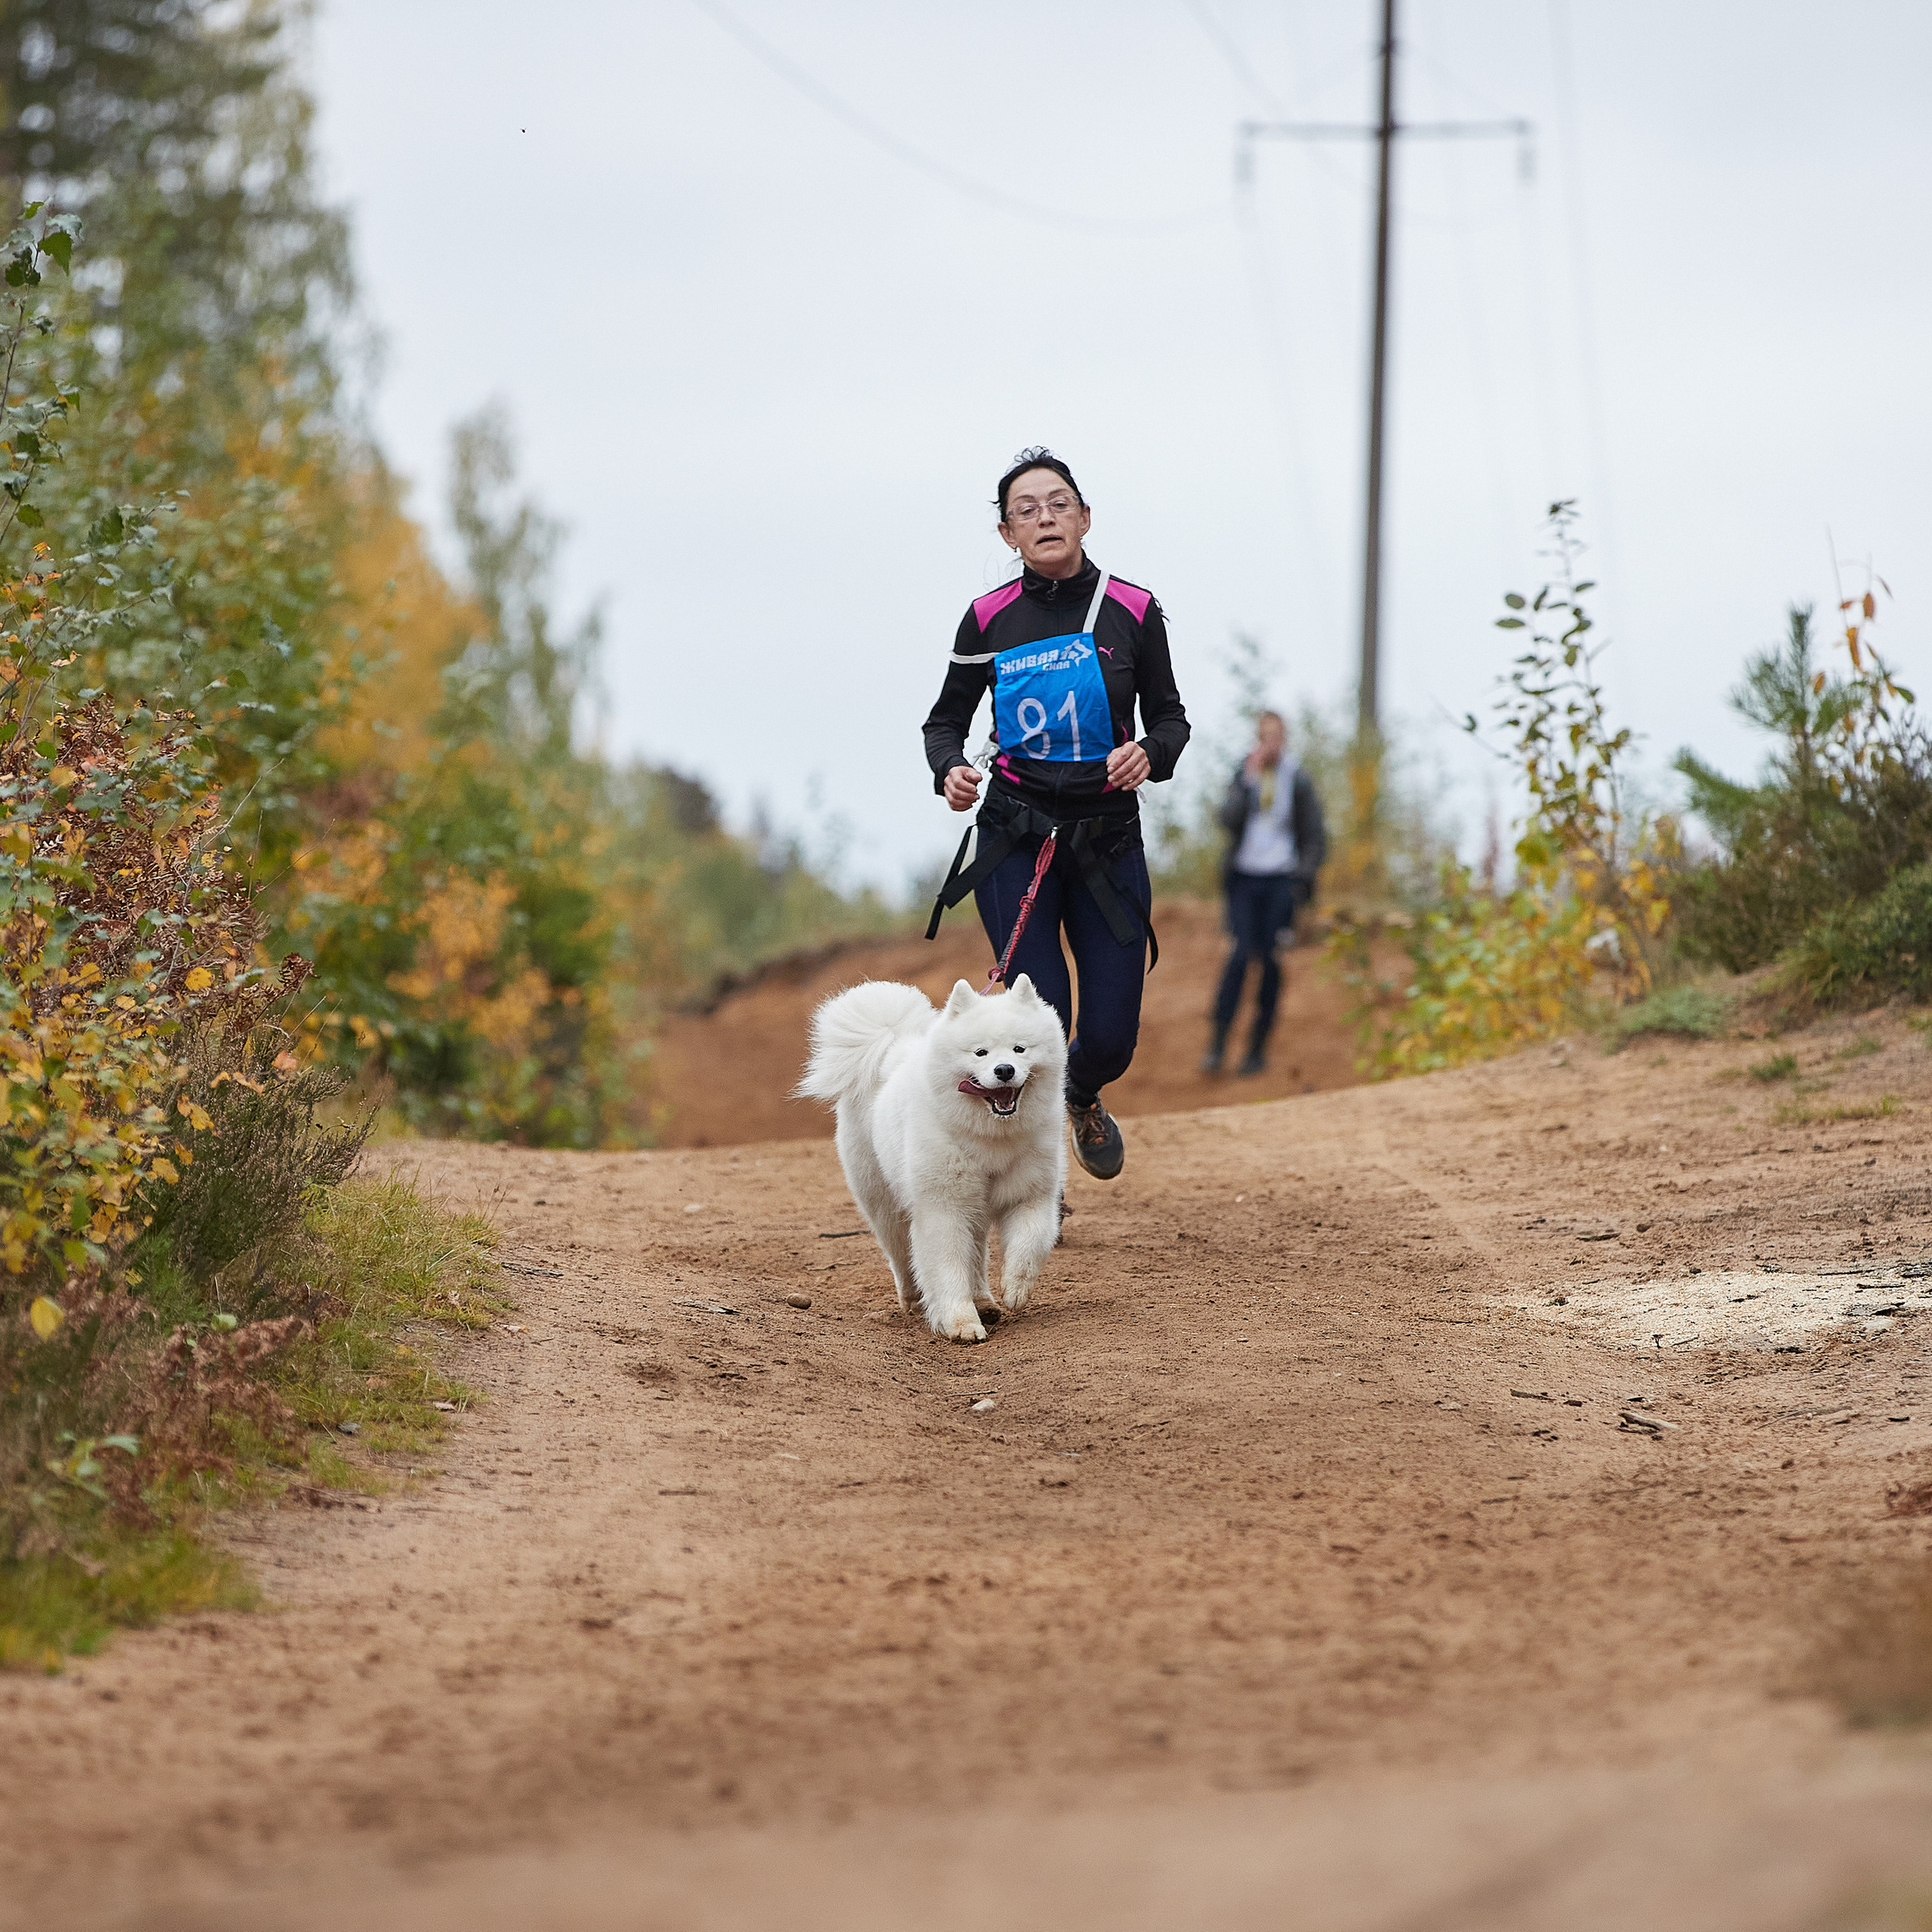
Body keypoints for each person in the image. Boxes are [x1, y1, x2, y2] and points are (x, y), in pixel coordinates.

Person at [923, 447, 1190, 1182]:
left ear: (1084, 517)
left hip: (1107, 845)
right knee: (1038, 1028)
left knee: (1106, 1038)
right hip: (1015, 842)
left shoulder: (1132, 610)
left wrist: (1148, 754)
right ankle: (1036, 1178)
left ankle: (1080, 1095)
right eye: (1025, 510)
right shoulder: (987, 619)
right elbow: (942, 723)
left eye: (1057, 503)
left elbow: (1171, 720)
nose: (1044, 516)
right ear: (1008, 535)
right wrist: (951, 770)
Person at [1202, 710, 1326, 1076]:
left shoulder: (1298, 778)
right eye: (1263, 736)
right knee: (1238, 957)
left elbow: (1315, 835)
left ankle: (1256, 1049)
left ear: (1284, 738)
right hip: (1244, 879)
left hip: (1281, 881)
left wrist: (1302, 881)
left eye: (1275, 736)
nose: (1269, 743)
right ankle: (1218, 1044)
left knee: (1272, 960)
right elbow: (1227, 821)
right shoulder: (1244, 773)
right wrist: (1247, 783)